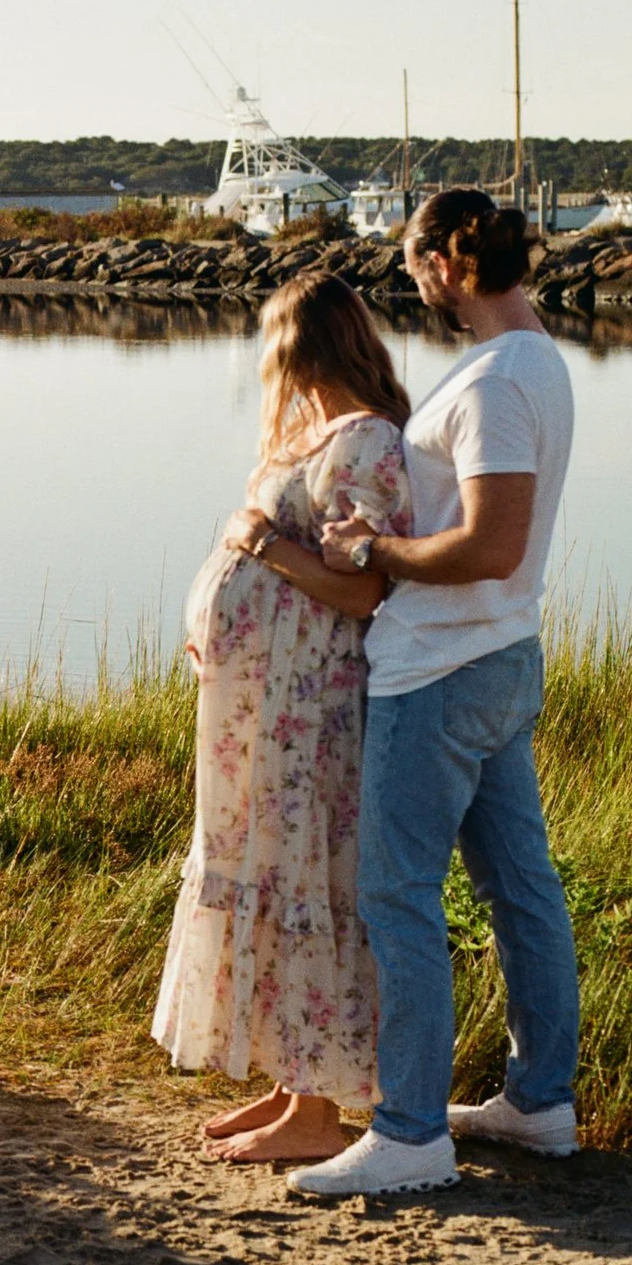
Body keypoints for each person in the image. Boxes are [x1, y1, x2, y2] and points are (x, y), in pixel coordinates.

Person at [288, 189, 581, 1199]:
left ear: (450, 262)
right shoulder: (537, 359)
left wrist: (370, 549)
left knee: (395, 895)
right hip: (499, 659)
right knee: (519, 888)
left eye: (413, 262)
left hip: (442, 670)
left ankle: (410, 1130)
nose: (408, 281)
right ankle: (539, 1103)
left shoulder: (498, 380)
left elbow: (491, 545)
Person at [153, 272, 414, 1163]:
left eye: (271, 342)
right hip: (260, 704)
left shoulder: (366, 442)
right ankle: (285, 1077)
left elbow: (365, 586)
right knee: (262, 868)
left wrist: (263, 549)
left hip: (308, 711)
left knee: (305, 875)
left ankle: (317, 1110)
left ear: (301, 346)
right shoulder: (316, 436)